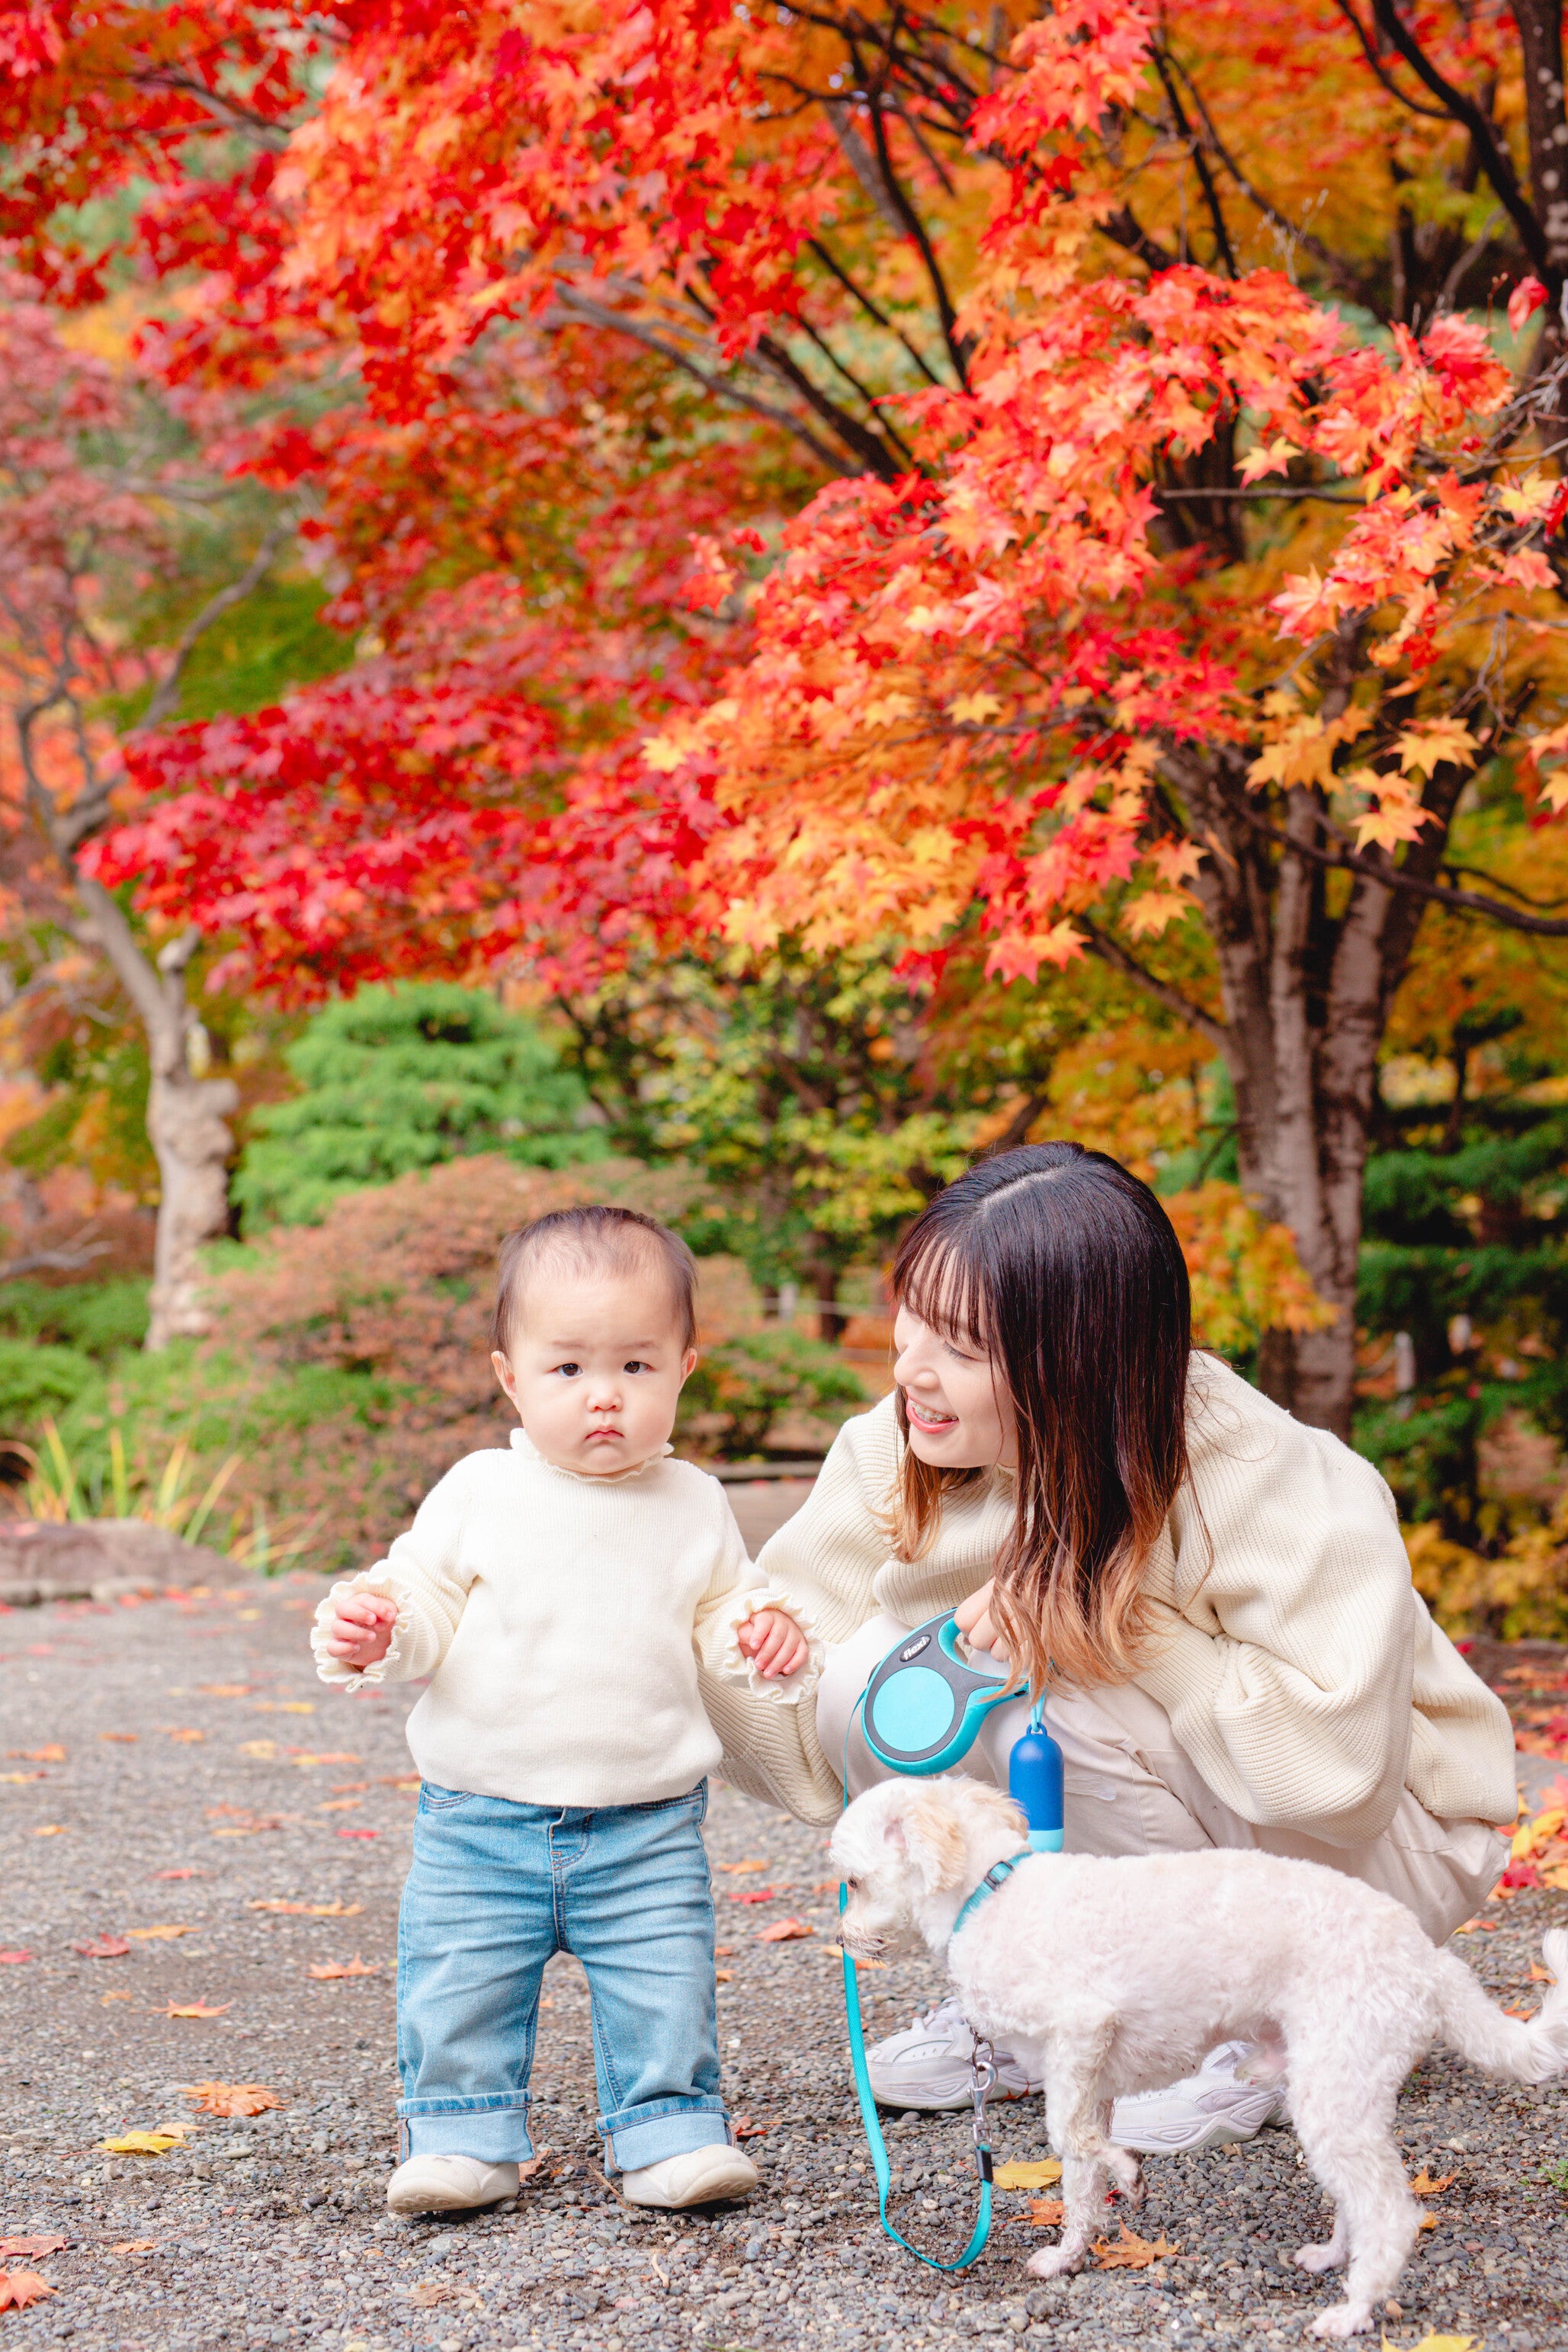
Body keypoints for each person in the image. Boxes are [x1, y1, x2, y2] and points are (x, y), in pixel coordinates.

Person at [698, 1144, 1517, 2155]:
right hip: (1220, 1804)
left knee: (1040, 1695)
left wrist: (1108, 1620)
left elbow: (1336, 1776)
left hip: (1381, 1841)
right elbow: (800, 1659)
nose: (909, 1367)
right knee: (881, 1670)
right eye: (911, 1317)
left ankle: (1249, 2027)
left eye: (961, 1345)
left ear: (1076, 1359)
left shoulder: (1257, 1469)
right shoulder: (902, 1440)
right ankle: (1032, 1999)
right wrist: (724, 1638)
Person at [311, 1205, 817, 2216]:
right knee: (459, 1982)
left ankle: (668, 2128)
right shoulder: (480, 1490)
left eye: (636, 1365)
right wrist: (378, 1629)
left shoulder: (692, 1500)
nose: (604, 1395)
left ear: (684, 1370)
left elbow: (724, 1606)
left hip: (647, 1824)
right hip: (479, 1818)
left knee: (664, 1983)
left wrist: (760, 1633)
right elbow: (423, 1599)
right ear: (511, 1377)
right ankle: (461, 2134)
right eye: (569, 1368)